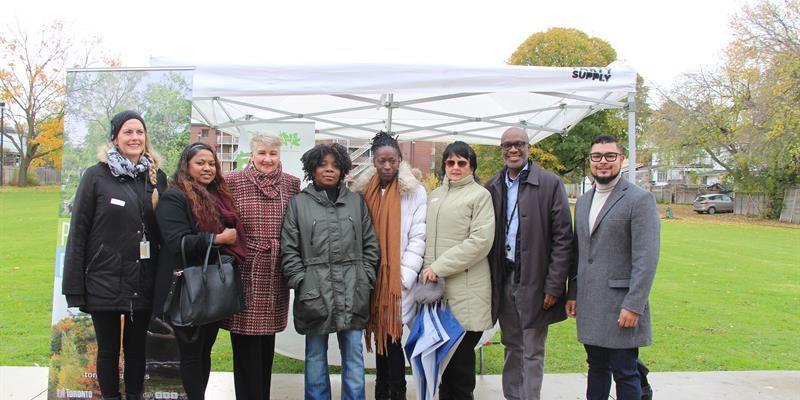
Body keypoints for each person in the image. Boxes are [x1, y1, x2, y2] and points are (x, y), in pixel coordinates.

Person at [62, 110, 167, 400]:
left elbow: (164, 234)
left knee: (137, 351)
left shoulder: (157, 178)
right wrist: (74, 288)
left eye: (139, 132)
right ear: (115, 138)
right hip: (103, 280)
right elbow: (79, 232)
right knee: (108, 351)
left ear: (146, 138)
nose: (135, 138)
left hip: (143, 281)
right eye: (128, 132)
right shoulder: (95, 176)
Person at [280, 143, 379, 400]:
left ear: (344, 170)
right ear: (312, 169)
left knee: (354, 355)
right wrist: (302, 281)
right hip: (315, 292)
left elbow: (370, 244)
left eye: (335, 166)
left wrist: (365, 277)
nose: (329, 170)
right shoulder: (298, 203)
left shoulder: (356, 202)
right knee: (314, 355)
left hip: (352, 291)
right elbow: (289, 249)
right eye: (323, 165)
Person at [566, 135, 660, 400]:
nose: (603, 162)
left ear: (622, 160)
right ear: (590, 161)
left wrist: (634, 304)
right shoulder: (583, 201)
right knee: (596, 367)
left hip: (621, 304)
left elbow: (646, 258)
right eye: (597, 156)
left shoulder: (639, 200)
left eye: (610, 156)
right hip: (590, 301)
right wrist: (573, 292)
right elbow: (579, 252)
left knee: (625, 370)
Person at [485, 127, 573, 400]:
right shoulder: (493, 185)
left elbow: (563, 238)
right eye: (507, 145)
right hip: (504, 278)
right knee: (512, 345)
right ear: (501, 150)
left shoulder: (550, 183)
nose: (513, 150)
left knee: (532, 348)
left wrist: (554, 285)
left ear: (529, 147)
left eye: (519, 144)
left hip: (536, 280)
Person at [154, 142, 247, 399]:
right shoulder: (175, 196)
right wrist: (218, 239)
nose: (207, 168)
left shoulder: (218, 196)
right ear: (187, 166)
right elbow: (177, 243)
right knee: (192, 354)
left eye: (211, 164)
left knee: (204, 351)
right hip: (187, 288)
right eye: (200, 163)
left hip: (211, 289)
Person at [222, 133, 300, 399]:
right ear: (252, 154)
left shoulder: (292, 184)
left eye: (273, 153)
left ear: (280, 155)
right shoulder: (232, 181)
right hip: (245, 270)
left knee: (267, 345)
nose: (267, 159)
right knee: (245, 347)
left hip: (276, 271)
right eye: (262, 153)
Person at [350, 132, 427, 400]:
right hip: (371, 278)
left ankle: (398, 391)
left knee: (393, 336)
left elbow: (418, 237)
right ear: (373, 161)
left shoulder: (414, 192)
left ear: (400, 160)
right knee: (379, 335)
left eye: (392, 161)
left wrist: (403, 277)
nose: (387, 167)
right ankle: (382, 390)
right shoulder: (361, 192)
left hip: (397, 281)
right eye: (382, 161)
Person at [420, 141, 495, 400]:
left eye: (462, 163)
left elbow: (480, 243)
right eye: (450, 162)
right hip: (438, 296)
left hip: (467, 295)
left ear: (472, 167)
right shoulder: (435, 196)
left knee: (461, 371)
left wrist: (437, 267)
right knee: (444, 368)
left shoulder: (480, 196)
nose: (455, 167)